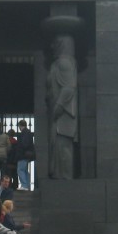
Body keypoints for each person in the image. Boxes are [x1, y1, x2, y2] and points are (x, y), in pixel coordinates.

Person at [46, 34, 77, 180]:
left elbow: (69, 87)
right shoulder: (57, 64)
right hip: (57, 114)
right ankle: (59, 177)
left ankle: (64, 179)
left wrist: (58, 105)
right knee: (57, 147)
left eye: (55, 43)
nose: (52, 47)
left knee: (62, 147)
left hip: (63, 115)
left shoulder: (64, 63)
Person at [14, 120, 35, 191]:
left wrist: (19, 150)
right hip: (27, 154)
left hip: (23, 154)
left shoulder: (25, 132)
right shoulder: (28, 132)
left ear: (20, 125)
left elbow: (24, 144)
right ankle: (27, 186)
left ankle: (24, 185)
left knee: (20, 170)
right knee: (25, 170)